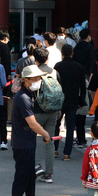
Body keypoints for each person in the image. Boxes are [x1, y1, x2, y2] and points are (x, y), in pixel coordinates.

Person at [11, 65, 52, 196]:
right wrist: (46, 134)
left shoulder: (28, 95)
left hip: (26, 141)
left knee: (29, 177)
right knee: (22, 177)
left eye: (39, 78)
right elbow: (32, 123)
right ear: (27, 80)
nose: (38, 81)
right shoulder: (23, 98)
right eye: (35, 78)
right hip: (23, 143)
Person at [53, 44, 86, 161]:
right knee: (71, 127)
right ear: (72, 53)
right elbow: (82, 86)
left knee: (56, 125)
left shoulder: (58, 66)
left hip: (60, 99)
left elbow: (54, 84)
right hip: (73, 99)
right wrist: (82, 100)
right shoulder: (79, 66)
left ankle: (55, 149)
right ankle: (67, 153)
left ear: (62, 53)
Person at [32, 47, 60, 183]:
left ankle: (36, 167)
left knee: (31, 139)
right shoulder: (54, 72)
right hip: (53, 110)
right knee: (49, 142)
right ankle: (49, 174)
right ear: (47, 58)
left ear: (35, 59)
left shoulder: (34, 72)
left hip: (37, 110)